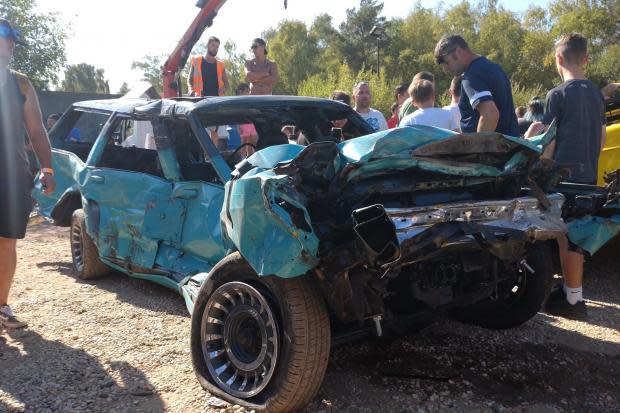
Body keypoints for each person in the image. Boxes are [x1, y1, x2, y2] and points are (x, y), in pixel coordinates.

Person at [526, 33, 606, 320]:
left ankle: (573, 300)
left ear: (559, 59)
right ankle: (573, 294)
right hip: (588, 174)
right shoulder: (597, 93)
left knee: (565, 238)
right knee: (574, 237)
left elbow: (549, 143)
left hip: (563, 176)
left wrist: (538, 171)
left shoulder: (557, 95)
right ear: (585, 58)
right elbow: (600, 139)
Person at [0, 18, 56, 329]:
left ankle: (2, 306)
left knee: (7, 241)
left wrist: (47, 167)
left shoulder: (20, 83)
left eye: (8, 41)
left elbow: (36, 130)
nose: (5, 46)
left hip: (12, 174)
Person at [435, 34, 518, 136]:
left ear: (458, 52)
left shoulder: (471, 76)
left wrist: (480, 148)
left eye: (447, 63)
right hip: (510, 145)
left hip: (494, 149)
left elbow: (490, 114)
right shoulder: (495, 68)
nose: (446, 69)